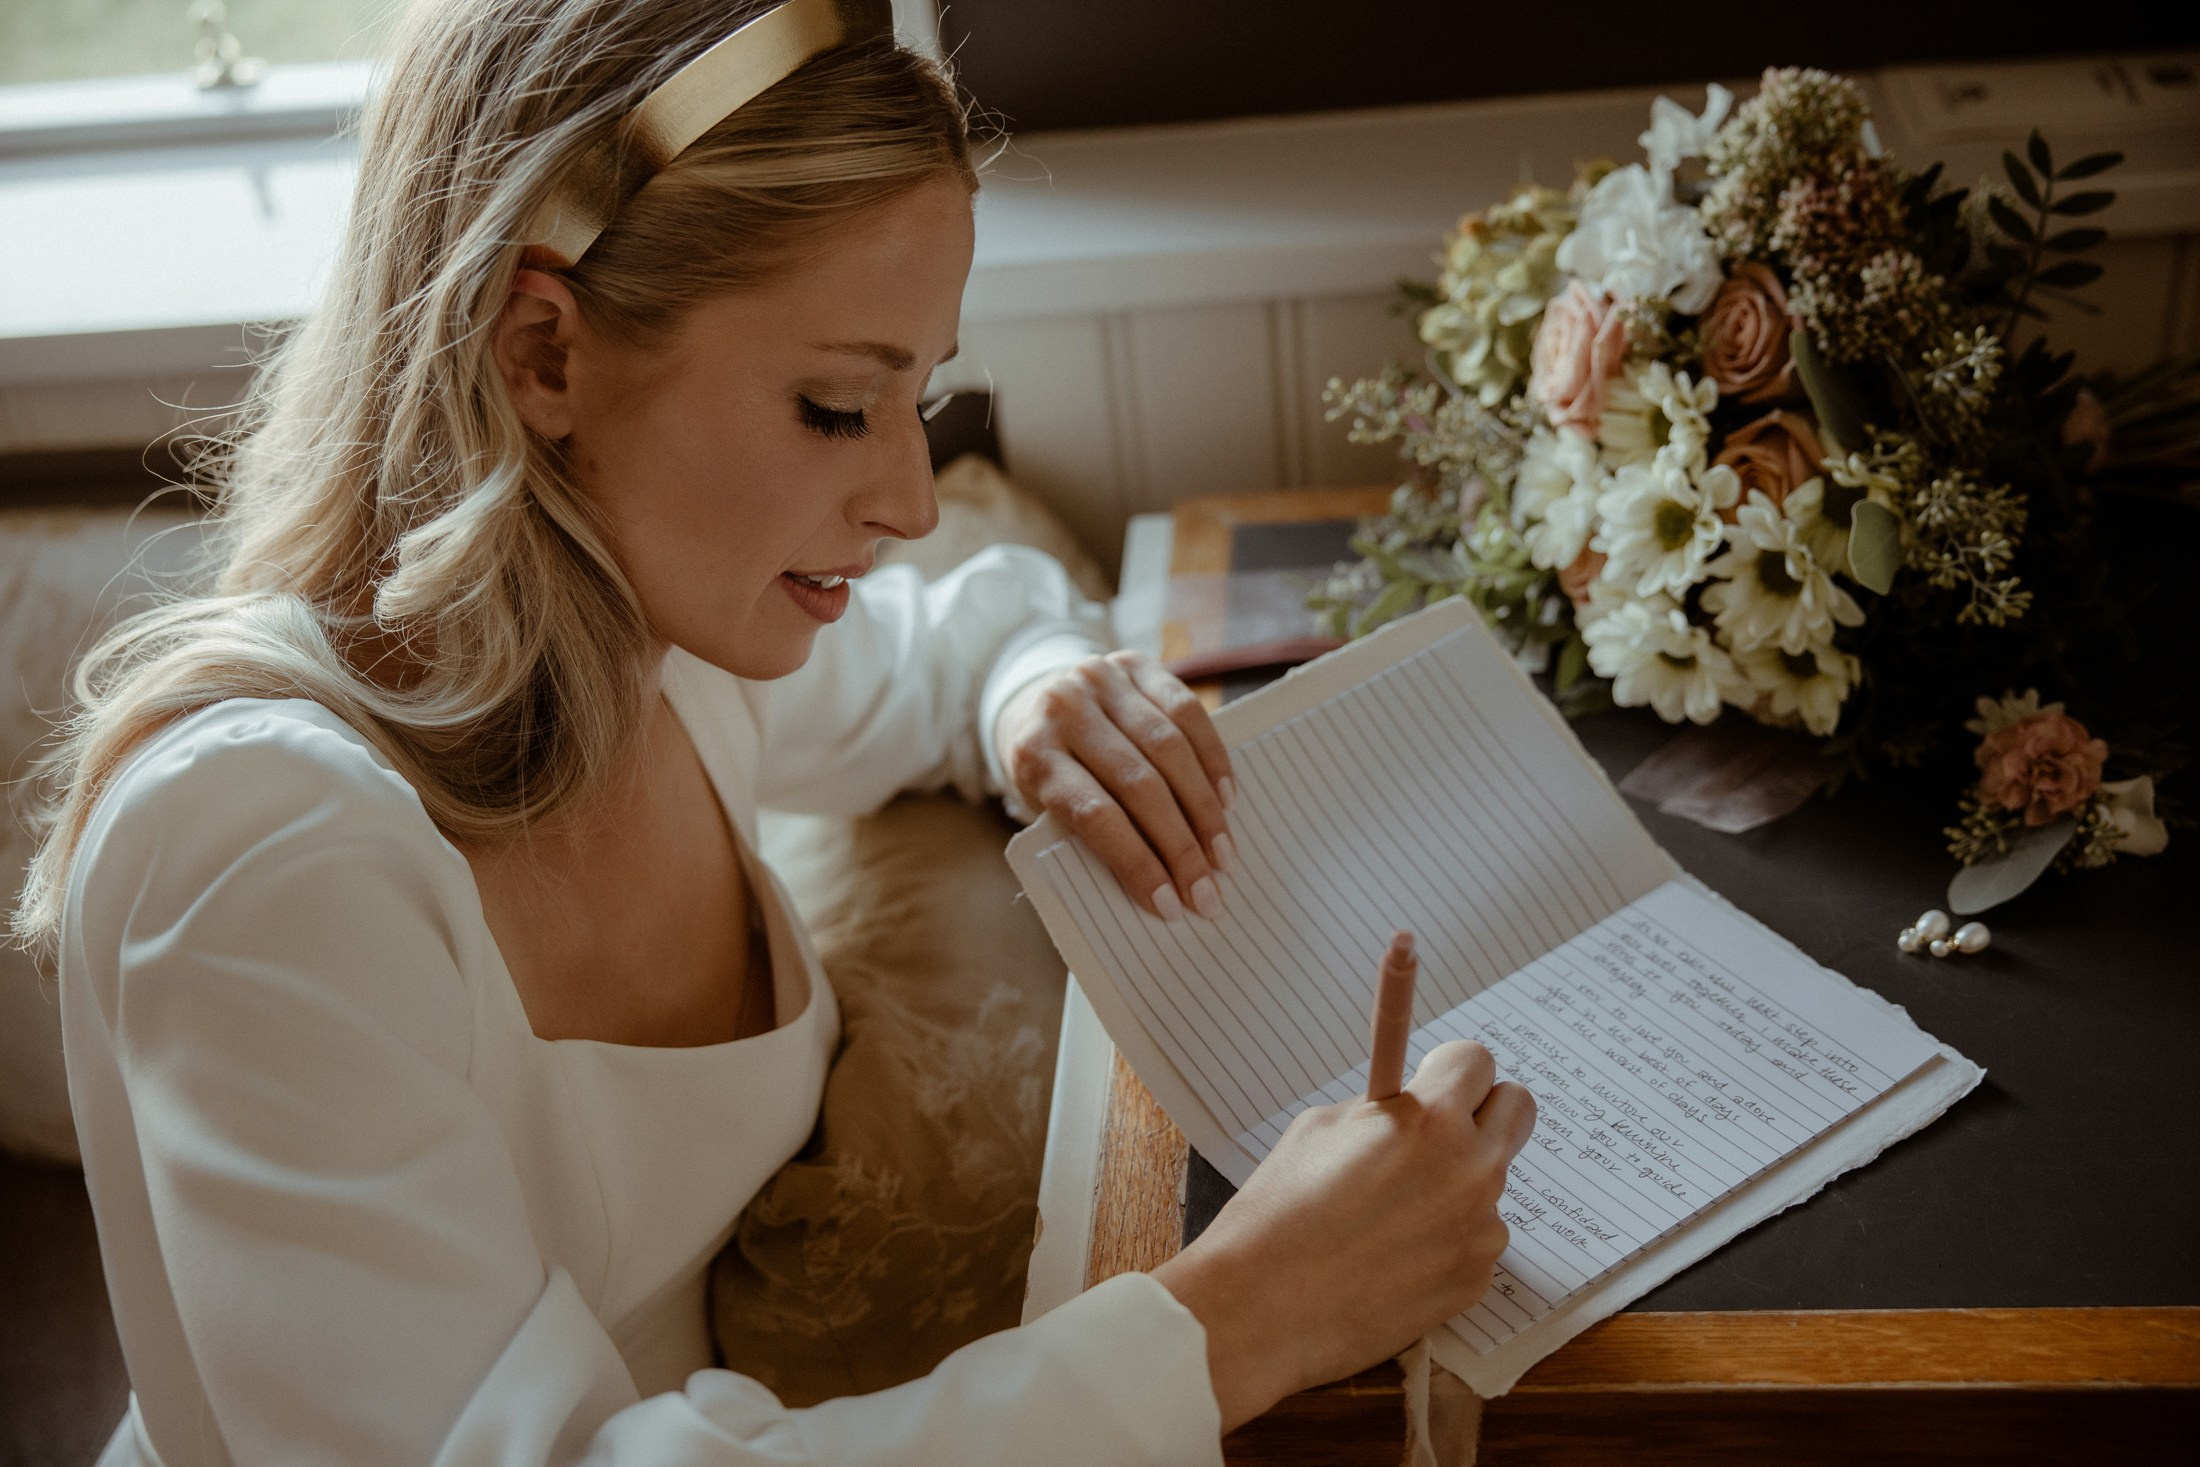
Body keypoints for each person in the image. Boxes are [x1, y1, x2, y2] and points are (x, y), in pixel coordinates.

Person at [12, 2, 1535, 1462]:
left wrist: (1037, 691)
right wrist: (1236, 1320)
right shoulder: (262, 856)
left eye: (919, 400)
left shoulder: (652, 646)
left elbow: (964, 638)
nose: (911, 499)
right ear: (542, 354)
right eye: (832, 407)